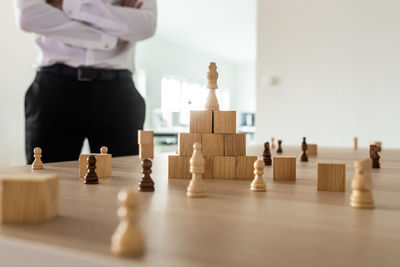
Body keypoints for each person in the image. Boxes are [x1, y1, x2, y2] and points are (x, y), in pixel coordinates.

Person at [13, 0, 157, 164]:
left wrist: (69, 5)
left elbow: (145, 25)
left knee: (124, 183)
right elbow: (28, 16)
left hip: (119, 94)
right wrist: (110, 37)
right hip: (55, 90)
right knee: (46, 182)